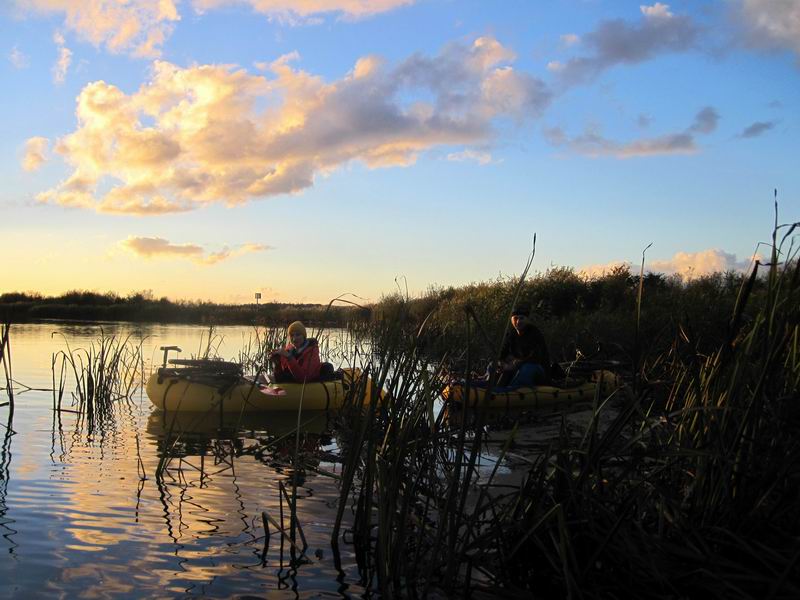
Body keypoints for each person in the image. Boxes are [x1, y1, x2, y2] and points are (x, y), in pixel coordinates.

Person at [492, 304, 550, 387]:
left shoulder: (534, 333)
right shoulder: (511, 334)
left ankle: (513, 390)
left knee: (527, 368)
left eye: (521, 318)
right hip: (518, 368)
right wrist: (501, 363)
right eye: (515, 318)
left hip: (538, 370)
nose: (518, 321)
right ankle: (495, 388)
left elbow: (536, 357)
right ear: (511, 320)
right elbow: (501, 353)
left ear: (527, 319)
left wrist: (515, 364)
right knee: (492, 365)